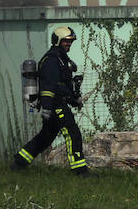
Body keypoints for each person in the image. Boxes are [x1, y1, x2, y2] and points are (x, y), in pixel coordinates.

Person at [11, 26, 90, 175]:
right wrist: (46, 107)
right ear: (58, 41)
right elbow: (49, 86)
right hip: (54, 104)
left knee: (46, 137)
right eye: (66, 41)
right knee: (72, 133)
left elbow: (63, 84)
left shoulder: (60, 58)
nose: (69, 44)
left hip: (58, 103)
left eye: (70, 41)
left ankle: (19, 162)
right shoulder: (51, 60)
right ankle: (80, 171)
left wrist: (74, 98)